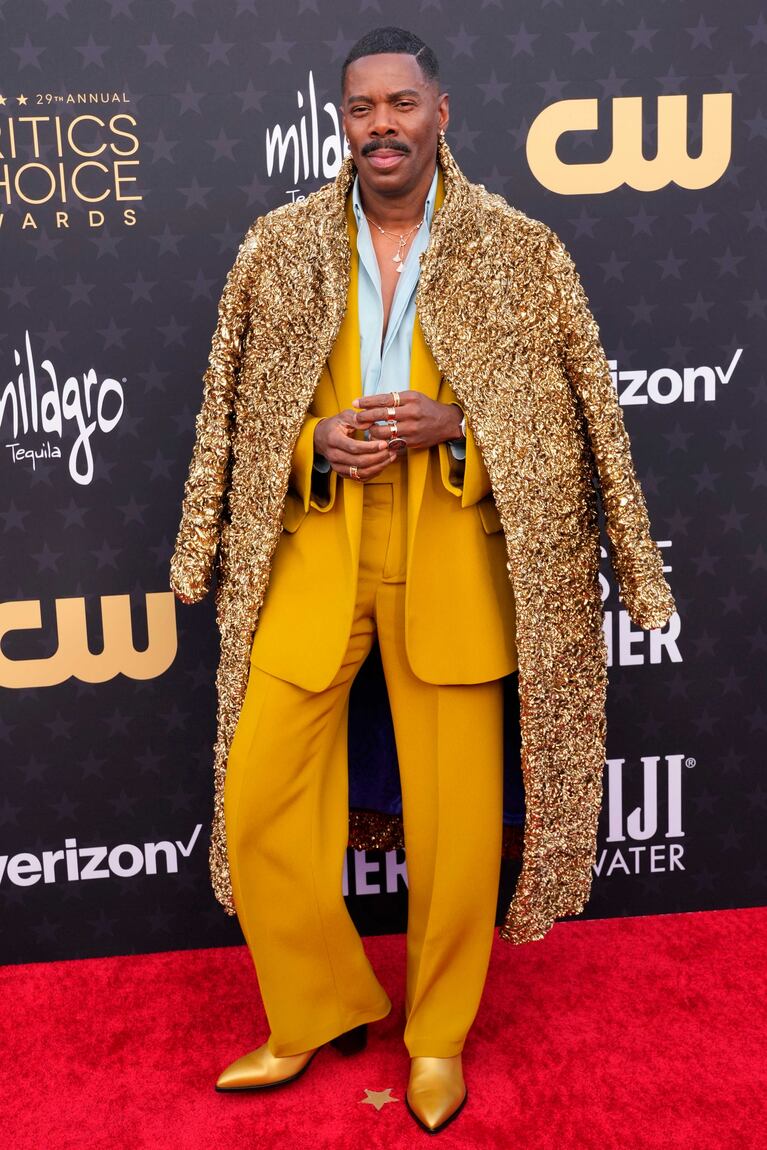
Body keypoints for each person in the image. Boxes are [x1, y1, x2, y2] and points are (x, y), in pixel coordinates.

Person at [170, 26, 675, 1135]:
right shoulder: (279, 246)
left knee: (452, 832)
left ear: (440, 114)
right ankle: (318, 1002)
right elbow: (239, 414)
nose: (380, 126)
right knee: (253, 796)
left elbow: (567, 428)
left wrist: (462, 430)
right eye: (360, 108)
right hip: (320, 539)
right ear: (338, 121)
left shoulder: (518, 248)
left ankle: (435, 1036)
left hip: (450, 540)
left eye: (401, 103)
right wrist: (314, 447)